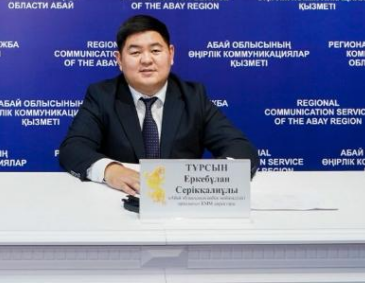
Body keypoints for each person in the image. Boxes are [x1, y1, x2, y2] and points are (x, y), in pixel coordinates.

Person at [59, 14, 258, 195]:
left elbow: (241, 148)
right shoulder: (102, 96)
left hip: (181, 204)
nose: (146, 60)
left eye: (155, 50)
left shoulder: (193, 96)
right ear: (119, 59)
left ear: (171, 54)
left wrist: (214, 175)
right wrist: (111, 171)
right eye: (135, 52)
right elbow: (73, 149)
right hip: (120, 201)